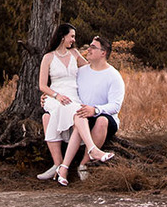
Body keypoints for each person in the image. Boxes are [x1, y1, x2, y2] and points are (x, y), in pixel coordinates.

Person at [36, 24, 112, 185]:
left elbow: (90, 70)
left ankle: (62, 166)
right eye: (72, 36)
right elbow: (42, 85)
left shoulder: (74, 54)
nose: (74, 40)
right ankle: (91, 150)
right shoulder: (48, 57)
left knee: (78, 112)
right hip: (55, 98)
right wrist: (56, 96)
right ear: (62, 36)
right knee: (73, 112)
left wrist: (106, 70)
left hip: (72, 97)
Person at [60, 35, 123, 182]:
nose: (88, 49)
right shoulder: (81, 72)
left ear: (103, 53)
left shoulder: (114, 76)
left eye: (93, 47)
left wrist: (95, 110)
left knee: (101, 121)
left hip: (105, 117)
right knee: (79, 117)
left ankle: (84, 164)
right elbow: (66, 88)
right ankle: (63, 167)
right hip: (82, 115)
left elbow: (115, 106)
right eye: (89, 46)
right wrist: (49, 96)